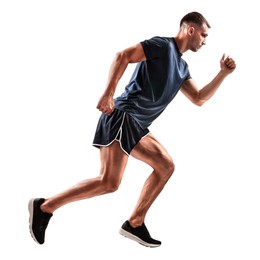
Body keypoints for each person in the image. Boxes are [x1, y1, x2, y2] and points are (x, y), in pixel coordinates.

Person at [28, 11, 236, 248]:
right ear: (190, 30)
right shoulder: (161, 45)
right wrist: (108, 94)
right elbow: (123, 56)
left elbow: (199, 98)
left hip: (137, 125)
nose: (205, 40)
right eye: (203, 34)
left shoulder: (182, 67)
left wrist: (223, 73)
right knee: (109, 182)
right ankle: (45, 207)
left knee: (165, 166)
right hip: (123, 116)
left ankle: (135, 223)